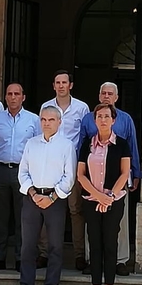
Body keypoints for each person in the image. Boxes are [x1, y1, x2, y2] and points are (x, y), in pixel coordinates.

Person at [11, 106, 76, 285]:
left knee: (55, 246)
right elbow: (23, 172)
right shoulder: (31, 144)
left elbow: (69, 176)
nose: (46, 123)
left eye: (51, 120)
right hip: (32, 198)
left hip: (55, 200)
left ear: (59, 122)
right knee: (27, 246)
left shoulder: (67, 145)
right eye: (43, 120)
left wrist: (52, 197)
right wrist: (32, 192)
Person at [78, 82, 141, 276]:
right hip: (93, 180)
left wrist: (135, 173)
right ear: (99, 96)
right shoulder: (88, 119)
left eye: (110, 93)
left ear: (116, 97)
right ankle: (92, 260)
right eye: (103, 93)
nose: (106, 96)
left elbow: (132, 144)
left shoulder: (126, 119)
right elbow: (82, 144)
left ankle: (120, 260)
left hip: (119, 180)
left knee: (118, 222)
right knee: (93, 225)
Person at [78, 104, 131, 285]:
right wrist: (98, 196)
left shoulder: (122, 144)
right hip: (92, 201)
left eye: (106, 116)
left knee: (110, 244)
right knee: (95, 244)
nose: (103, 120)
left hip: (113, 201)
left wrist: (108, 196)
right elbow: (80, 175)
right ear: (94, 119)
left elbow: (124, 173)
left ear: (113, 120)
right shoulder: (87, 144)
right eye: (99, 116)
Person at [38, 70, 90, 270]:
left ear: (71, 85)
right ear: (53, 86)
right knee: (46, 208)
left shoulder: (82, 108)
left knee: (75, 210)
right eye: (57, 82)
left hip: (74, 166)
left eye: (64, 82)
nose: (61, 85)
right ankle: (44, 253)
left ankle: (79, 255)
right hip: (50, 165)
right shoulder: (46, 107)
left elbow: (85, 136)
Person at [0, 83, 40, 272]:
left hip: (24, 172)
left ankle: (22, 257)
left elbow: (38, 147)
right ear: (5, 97)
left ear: (23, 97)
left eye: (17, 94)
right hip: (0, 170)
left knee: (23, 217)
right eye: (10, 94)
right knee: (0, 217)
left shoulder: (33, 120)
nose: (13, 97)